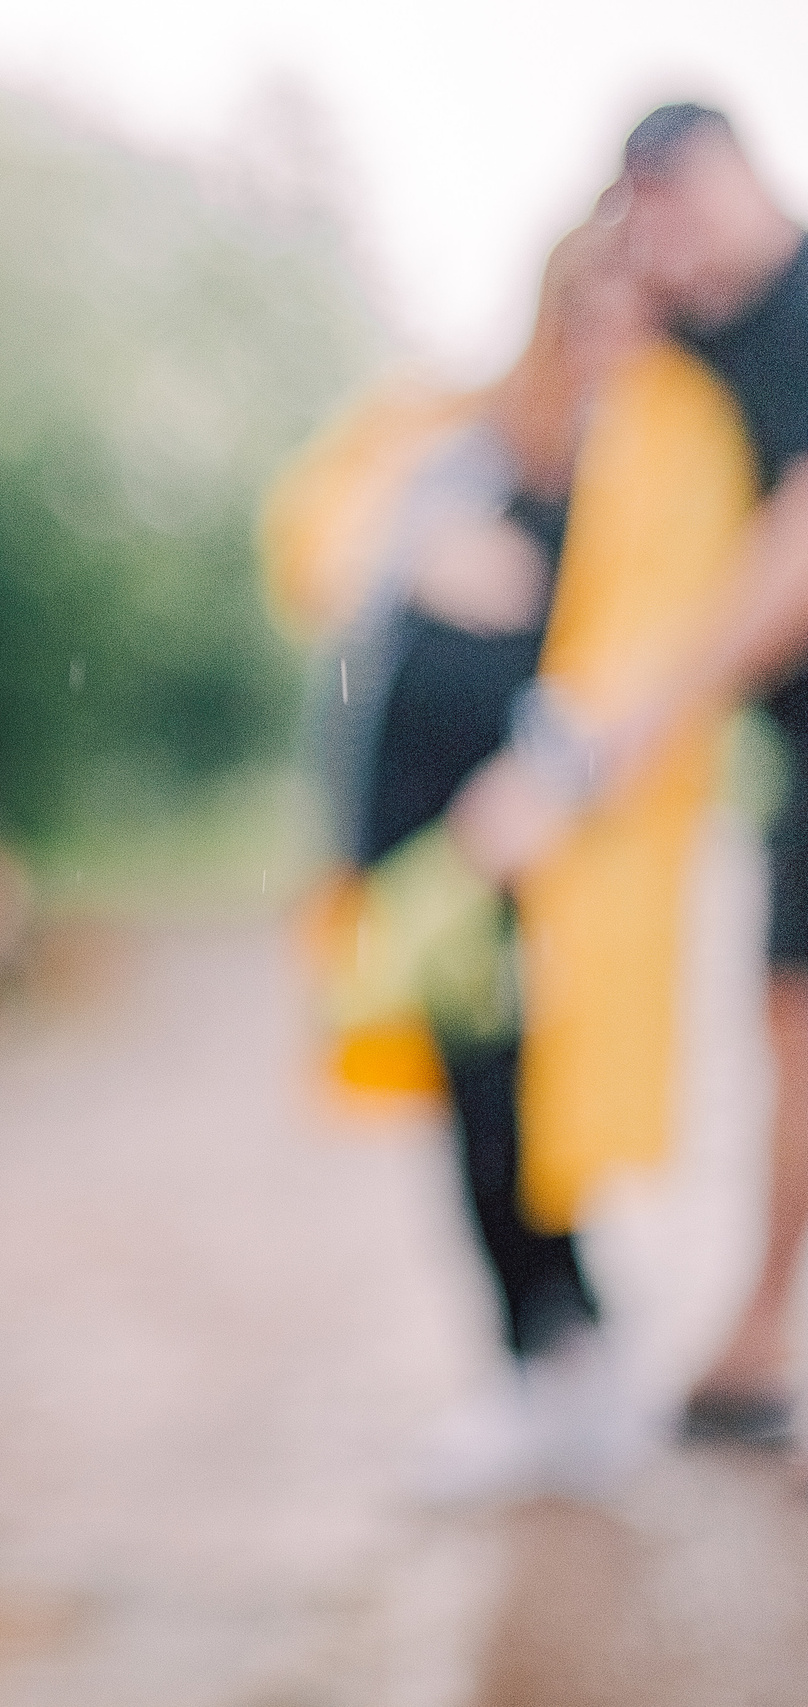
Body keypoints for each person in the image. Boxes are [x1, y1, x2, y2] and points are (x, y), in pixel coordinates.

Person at [281, 220, 662, 1499]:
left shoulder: (651, 465)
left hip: (531, 834)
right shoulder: (464, 443)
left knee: (528, 1095)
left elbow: (640, 650)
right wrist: (420, 564)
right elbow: (337, 565)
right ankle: (545, 1354)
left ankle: (562, 1349)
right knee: (469, 1093)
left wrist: (546, 772)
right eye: (586, 309)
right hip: (408, 817)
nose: (607, 335)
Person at [452, 104, 808, 1451]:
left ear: (712, 171)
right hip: (796, 744)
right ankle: (760, 1330)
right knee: (791, 1027)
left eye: (664, 214)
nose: (661, 250)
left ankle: (761, 1324)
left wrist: (633, 725)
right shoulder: (711, 325)